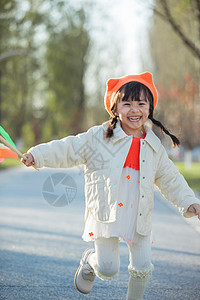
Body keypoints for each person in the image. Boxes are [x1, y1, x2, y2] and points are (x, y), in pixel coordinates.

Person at [22, 72, 200, 300]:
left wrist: (189, 201)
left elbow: (170, 178)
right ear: (115, 108)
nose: (134, 110)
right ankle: (90, 260)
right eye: (127, 104)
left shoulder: (154, 147)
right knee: (108, 268)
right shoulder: (99, 137)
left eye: (141, 104)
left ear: (150, 108)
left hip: (139, 213)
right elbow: (69, 148)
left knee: (143, 267)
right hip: (107, 211)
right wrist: (36, 155)